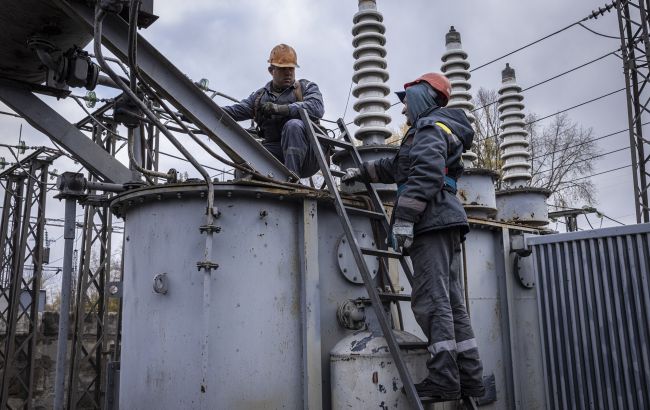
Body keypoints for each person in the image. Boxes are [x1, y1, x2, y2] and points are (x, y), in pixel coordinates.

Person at [342, 73, 485, 401]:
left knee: (431, 301)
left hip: (431, 221)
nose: (403, 111)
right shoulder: (436, 130)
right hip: (445, 219)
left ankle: (444, 379)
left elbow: (425, 175)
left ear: (421, 96)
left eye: (406, 102)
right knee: (451, 302)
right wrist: (362, 172)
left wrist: (404, 220)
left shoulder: (429, 129)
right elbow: (399, 166)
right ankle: (470, 378)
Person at [222, 44, 325, 178]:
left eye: (291, 69)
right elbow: (235, 111)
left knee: (293, 125)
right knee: (246, 163)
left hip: (310, 153)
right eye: (283, 69)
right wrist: (191, 112)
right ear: (271, 70)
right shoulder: (259, 97)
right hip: (278, 150)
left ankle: (292, 181)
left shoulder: (305, 87)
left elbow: (317, 107)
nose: (288, 73)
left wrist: (282, 109)